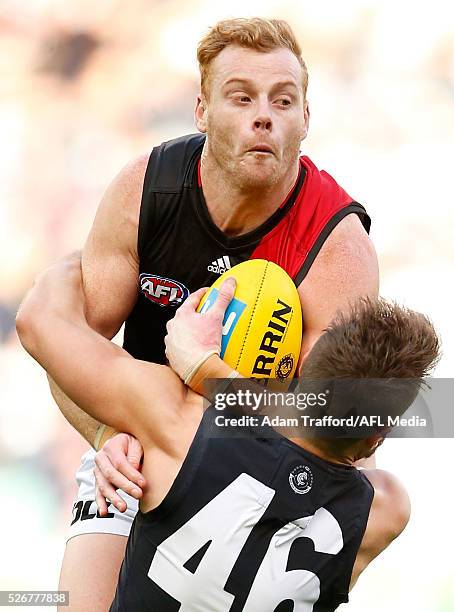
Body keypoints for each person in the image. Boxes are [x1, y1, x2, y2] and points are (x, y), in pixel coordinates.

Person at [45, 17, 378, 611]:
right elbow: (71, 348)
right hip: (138, 448)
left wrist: (204, 375)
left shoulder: (336, 245)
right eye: (241, 96)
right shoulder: (145, 190)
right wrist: (106, 434)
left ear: (306, 119)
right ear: (201, 110)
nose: (263, 115)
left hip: (261, 482)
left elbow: (350, 431)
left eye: (283, 100)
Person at [16, 254, 439, 611]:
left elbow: (38, 320)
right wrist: (211, 374)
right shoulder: (383, 513)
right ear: (377, 435)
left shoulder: (181, 420)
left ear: (303, 366)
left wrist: (98, 255)